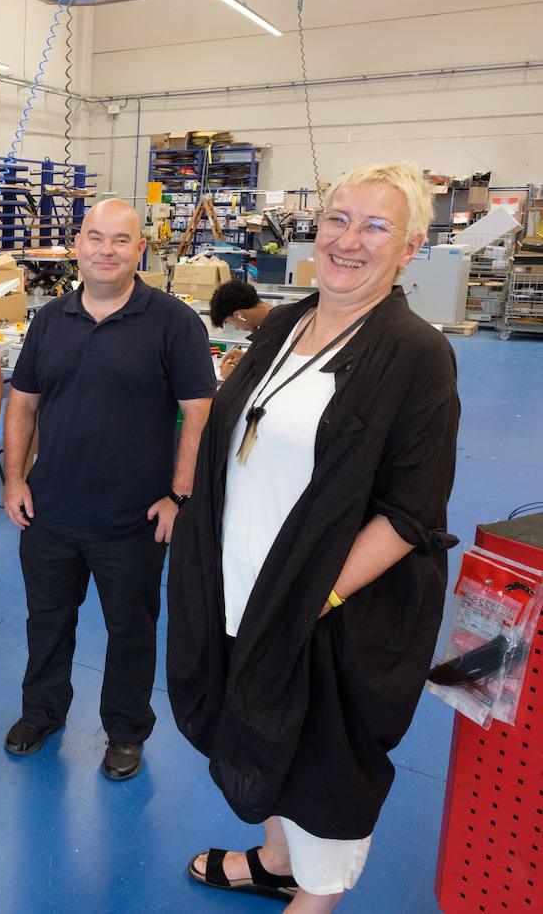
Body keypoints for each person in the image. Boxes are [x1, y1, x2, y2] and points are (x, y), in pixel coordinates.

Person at [167, 162, 460, 912]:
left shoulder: (418, 355)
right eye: (338, 218)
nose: (348, 239)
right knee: (259, 727)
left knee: (326, 756)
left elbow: (412, 513)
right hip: (246, 582)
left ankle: (316, 892)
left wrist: (315, 600)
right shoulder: (287, 324)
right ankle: (274, 861)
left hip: (331, 608)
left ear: (412, 246)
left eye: (375, 226)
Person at [0, 199, 215, 776]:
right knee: (46, 623)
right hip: (50, 511)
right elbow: (22, 404)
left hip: (134, 519)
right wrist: (15, 477)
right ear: (77, 245)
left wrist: (180, 496)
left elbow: (199, 412)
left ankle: (125, 731)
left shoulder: (173, 321)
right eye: (96, 238)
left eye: (121, 240)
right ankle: (41, 713)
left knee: (131, 633)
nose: (106, 250)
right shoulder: (49, 320)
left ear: (139, 249)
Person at [208, 279, 275, 378]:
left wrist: (237, 376)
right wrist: (247, 360)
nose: (236, 327)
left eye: (231, 322)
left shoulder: (276, 332)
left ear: (239, 315)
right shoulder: (277, 320)